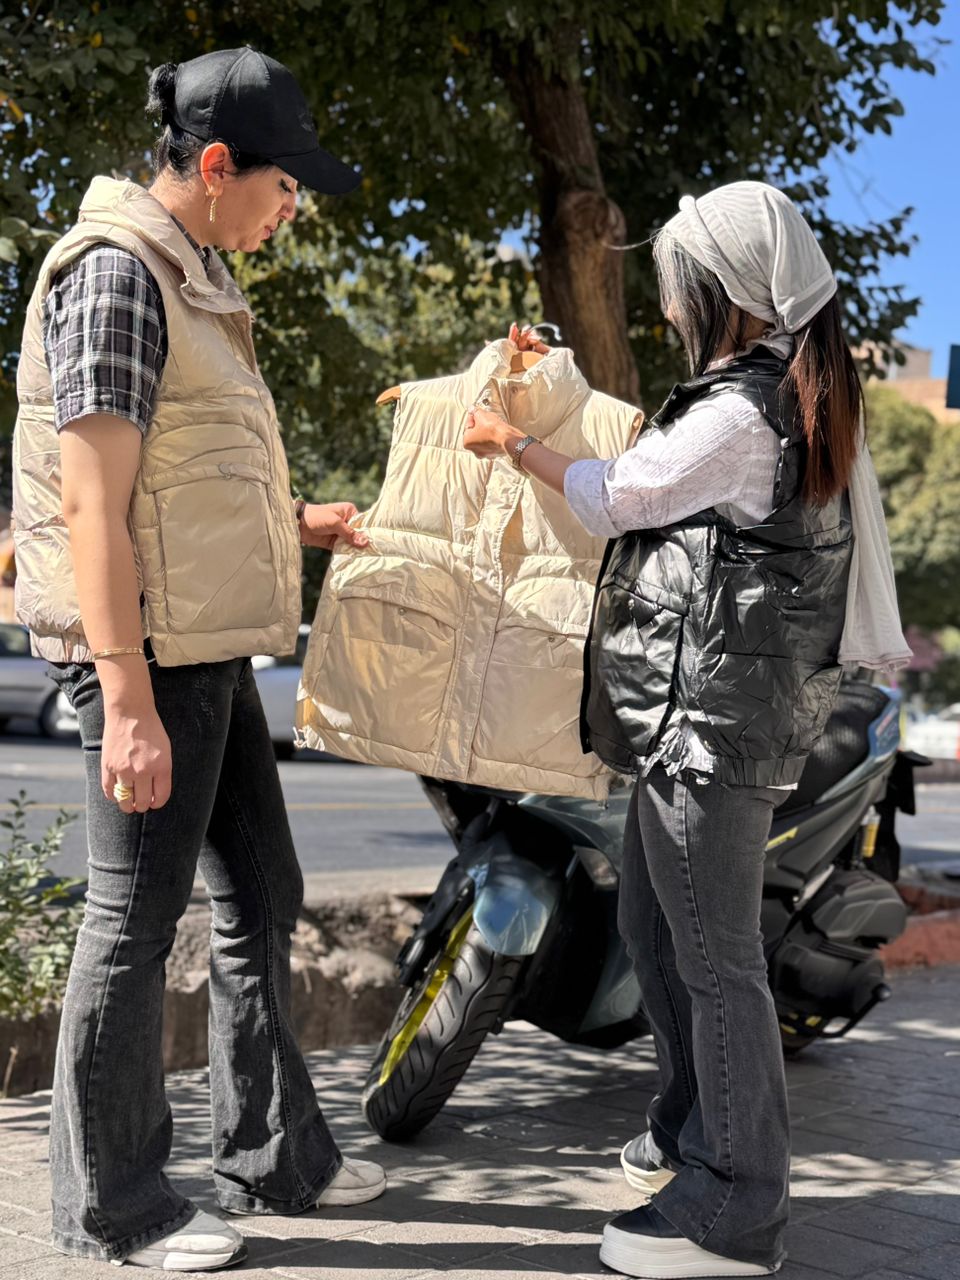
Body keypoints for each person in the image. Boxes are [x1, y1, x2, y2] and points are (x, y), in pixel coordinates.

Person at [463, 182, 910, 1279]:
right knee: (659, 931)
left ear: (723, 290)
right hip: (698, 721)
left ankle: (736, 1207)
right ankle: (687, 1130)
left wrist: (513, 442)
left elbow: (620, 493)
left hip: (715, 728)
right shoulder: (767, 394)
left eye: (677, 286)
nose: (667, 306)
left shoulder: (749, 409)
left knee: (713, 958)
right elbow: (652, 458)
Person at [12, 48, 386, 1272]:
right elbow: (91, 502)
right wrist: (124, 697)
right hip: (150, 657)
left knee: (264, 889)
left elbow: (192, 482)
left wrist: (302, 522)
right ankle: (114, 1206)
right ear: (216, 165)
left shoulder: (198, 275)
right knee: (133, 918)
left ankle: (270, 1151)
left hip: (204, 647)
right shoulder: (119, 274)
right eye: (284, 184)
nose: (294, 207)